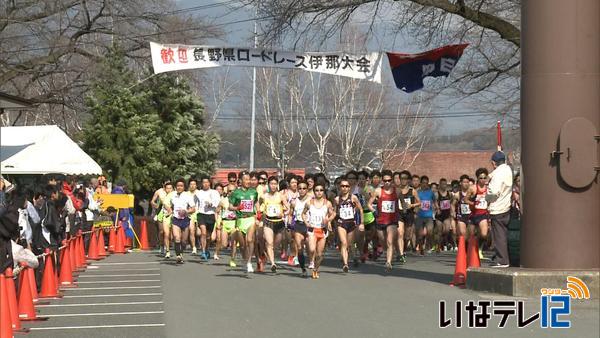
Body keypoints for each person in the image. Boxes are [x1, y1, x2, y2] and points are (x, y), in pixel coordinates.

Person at [367, 170, 400, 272]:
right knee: (383, 241)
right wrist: (374, 211)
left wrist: (405, 207)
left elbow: (402, 202)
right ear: (382, 181)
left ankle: (388, 262)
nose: (387, 182)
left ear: (392, 180)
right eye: (385, 180)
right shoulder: (378, 191)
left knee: (390, 240)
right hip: (381, 220)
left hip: (392, 220)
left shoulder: (397, 191)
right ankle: (388, 252)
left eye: (389, 180)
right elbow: (369, 204)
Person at [485, 151, 513, 268]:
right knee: (504, 234)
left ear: (493, 163)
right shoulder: (507, 170)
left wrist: (487, 197)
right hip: (507, 206)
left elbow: (493, 192)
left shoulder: (497, 174)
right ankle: (503, 258)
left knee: (499, 235)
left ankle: (502, 260)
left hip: (497, 207)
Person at [302, 182, 334, 279]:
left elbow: (333, 214)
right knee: (312, 249)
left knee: (319, 254)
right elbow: (303, 214)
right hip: (312, 229)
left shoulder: (327, 203)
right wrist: (306, 222)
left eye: (321, 190)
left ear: (323, 192)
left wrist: (328, 220)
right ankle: (311, 260)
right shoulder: (309, 203)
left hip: (322, 230)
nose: (319, 192)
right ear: (314, 192)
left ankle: (316, 269)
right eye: (316, 190)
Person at [229, 171, 259, 273]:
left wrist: (258, 214)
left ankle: (249, 262)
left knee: (250, 240)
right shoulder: (236, 193)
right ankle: (245, 259)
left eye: (249, 179)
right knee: (242, 245)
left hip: (250, 219)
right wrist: (237, 207)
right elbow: (230, 206)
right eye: (245, 179)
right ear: (240, 181)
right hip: (240, 220)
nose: (248, 181)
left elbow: (256, 203)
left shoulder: (253, 192)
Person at [258, 176, 289, 272]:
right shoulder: (264, 196)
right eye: (271, 184)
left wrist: (283, 213)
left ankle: (267, 255)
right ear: (268, 185)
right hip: (268, 221)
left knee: (276, 244)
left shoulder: (281, 196)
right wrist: (261, 213)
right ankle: (273, 263)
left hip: (279, 222)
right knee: (269, 243)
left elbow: (288, 208)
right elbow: (259, 208)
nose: (273, 186)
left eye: (275, 184)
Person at [333, 177, 364, 272]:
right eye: (342, 186)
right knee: (344, 243)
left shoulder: (353, 197)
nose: (344, 188)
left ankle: (354, 256)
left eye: (347, 186)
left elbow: (361, 209)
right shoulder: (337, 199)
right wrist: (333, 224)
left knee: (350, 244)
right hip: (341, 223)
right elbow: (335, 212)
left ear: (349, 188)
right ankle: (346, 264)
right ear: (339, 187)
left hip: (351, 223)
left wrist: (362, 223)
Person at [169, 178, 196, 263]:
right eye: (178, 186)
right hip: (175, 219)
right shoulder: (172, 195)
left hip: (185, 220)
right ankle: (178, 256)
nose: (179, 187)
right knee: (177, 238)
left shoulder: (187, 196)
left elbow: (193, 209)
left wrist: (186, 211)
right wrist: (169, 211)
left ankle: (181, 253)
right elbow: (168, 205)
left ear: (184, 187)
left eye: (181, 186)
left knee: (184, 241)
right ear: (175, 187)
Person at [195, 177, 221, 260]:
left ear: (210, 183)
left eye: (207, 182)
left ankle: (206, 249)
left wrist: (211, 204)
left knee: (209, 237)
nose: (205, 184)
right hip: (201, 214)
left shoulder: (214, 192)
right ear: (201, 184)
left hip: (211, 215)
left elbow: (217, 202)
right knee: (203, 232)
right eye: (204, 182)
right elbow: (195, 204)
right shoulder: (198, 193)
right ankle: (203, 252)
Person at [289, 179, 311, 276]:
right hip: (298, 225)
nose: (302, 190)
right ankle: (303, 269)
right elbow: (290, 213)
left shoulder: (311, 200)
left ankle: (312, 262)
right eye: (300, 188)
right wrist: (289, 222)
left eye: (304, 188)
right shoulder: (294, 202)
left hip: (310, 225)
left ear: (307, 189)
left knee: (311, 248)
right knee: (299, 247)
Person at [150, 181, 174, 256]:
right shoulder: (159, 191)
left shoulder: (174, 193)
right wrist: (155, 205)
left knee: (170, 234)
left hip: (172, 213)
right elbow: (152, 201)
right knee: (162, 232)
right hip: (162, 212)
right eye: (165, 183)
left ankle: (168, 246)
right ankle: (162, 246)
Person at [415, 176, 437, 255]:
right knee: (420, 234)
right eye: (423, 183)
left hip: (429, 215)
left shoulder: (431, 192)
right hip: (420, 215)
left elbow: (434, 201)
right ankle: (421, 247)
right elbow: (415, 202)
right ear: (421, 183)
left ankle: (427, 245)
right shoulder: (417, 192)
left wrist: (437, 208)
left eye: (426, 183)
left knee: (430, 231)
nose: (424, 184)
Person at [436, 178, 456, 251]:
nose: (444, 186)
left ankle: (444, 241)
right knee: (439, 231)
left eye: (445, 184)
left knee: (447, 230)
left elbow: (452, 202)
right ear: (440, 185)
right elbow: (434, 202)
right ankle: (438, 246)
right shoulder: (437, 194)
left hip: (447, 214)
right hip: (439, 215)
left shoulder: (449, 194)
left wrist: (452, 211)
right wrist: (437, 208)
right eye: (442, 184)